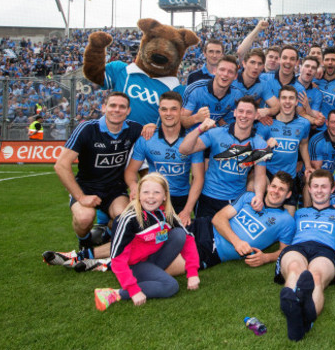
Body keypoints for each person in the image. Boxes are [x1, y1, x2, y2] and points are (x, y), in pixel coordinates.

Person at [93, 173, 200, 311]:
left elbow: (188, 239)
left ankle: (149, 277)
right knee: (170, 286)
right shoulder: (128, 219)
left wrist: (192, 273)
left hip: (151, 259)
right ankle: (113, 293)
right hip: (133, 264)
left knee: (179, 234)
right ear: (138, 195)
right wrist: (133, 290)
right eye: (146, 192)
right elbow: (117, 257)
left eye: (156, 192)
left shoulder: (166, 213)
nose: (151, 197)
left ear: (164, 196)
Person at [53, 92, 142, 251]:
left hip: (115, 189)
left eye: (122, 107)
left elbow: (155, 137)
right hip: (86, 188)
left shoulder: (134, 129)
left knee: (126, 219)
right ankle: (85, 242)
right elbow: (61, 165)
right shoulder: (87, 128)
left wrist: (150, 127)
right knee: (84, 218)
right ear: (103, 108)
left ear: (128, 111)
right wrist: (80, 196)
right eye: (112, 105)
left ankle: (106, 232)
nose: (117, 110)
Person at [274, 169, 335, 341]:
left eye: (324, 186)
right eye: (315, 186)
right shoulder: (298, 213)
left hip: (325, 251)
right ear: (309, 189)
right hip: (298, 248)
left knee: (314, 276)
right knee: (295, 269)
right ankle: (298, 316)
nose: (319, 190)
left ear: (332, 189)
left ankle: (301, 321)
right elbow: (285, 244)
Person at [166, 172, 297, 272]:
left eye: (281, 189)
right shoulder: (249, 197)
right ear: (268, 187)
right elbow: (218, 218)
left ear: (288, 194)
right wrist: (237, 242)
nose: (276, 191)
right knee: (159, 232)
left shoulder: (286, 221)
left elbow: (285, 250)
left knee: (166, 267)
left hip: (213, 250)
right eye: (274, 186)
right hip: (204, 227)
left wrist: (266, 258)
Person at [178, 96, 269, 218]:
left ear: (256, 115)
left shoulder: (260, 144)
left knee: (228, 236)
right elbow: (184, 149)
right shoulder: (217, 133)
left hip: (235, 200)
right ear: (235, 113)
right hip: (208, 197)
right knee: (204, 235)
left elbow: (260, 175)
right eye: (241, 111)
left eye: (249, 112)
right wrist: (200, 129)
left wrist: (258, 195)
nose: (244, 115)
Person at [124, 92, 205, 225]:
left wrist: (187, 210)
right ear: (159, 111)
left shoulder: (192, 140)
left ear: (182, 111)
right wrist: (134, 187)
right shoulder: (147, 139)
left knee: (177, 238)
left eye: (174, 109)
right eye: (164, 109)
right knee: (139, 232)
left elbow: (198, 177)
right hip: (152, 196)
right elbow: (131, 171)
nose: (168, 113)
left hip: (180, 198)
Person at [256, 86, 312, 215]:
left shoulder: (304, 124)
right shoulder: (267, 123)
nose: (287, 102)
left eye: (291, 98)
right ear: (279, 101)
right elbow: (255, 154)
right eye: (284, 98)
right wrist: (266, 147)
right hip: (269, 173)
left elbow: (303, 144)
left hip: (289, 176)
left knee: (289, 219)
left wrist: (308, 166)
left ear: (296, 101)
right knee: (262, 208)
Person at [181, 55, 242, 130]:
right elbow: (180, 122)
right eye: (222, 70)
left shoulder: (237, 95)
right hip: (192, 136)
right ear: (214, 71)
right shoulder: (195, 89)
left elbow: (229, 124)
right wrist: (196, 118)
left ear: (235, 76)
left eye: (230, 72)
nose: (225, 74)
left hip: (214, 138)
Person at [232, 48, 279, 118]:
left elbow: (277, 106)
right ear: (244, 63)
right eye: (252, 62)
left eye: (259, 64)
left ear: (263, 67)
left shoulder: (263, 85)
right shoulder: (231, 79)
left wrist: (267, 111)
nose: (256, 67)